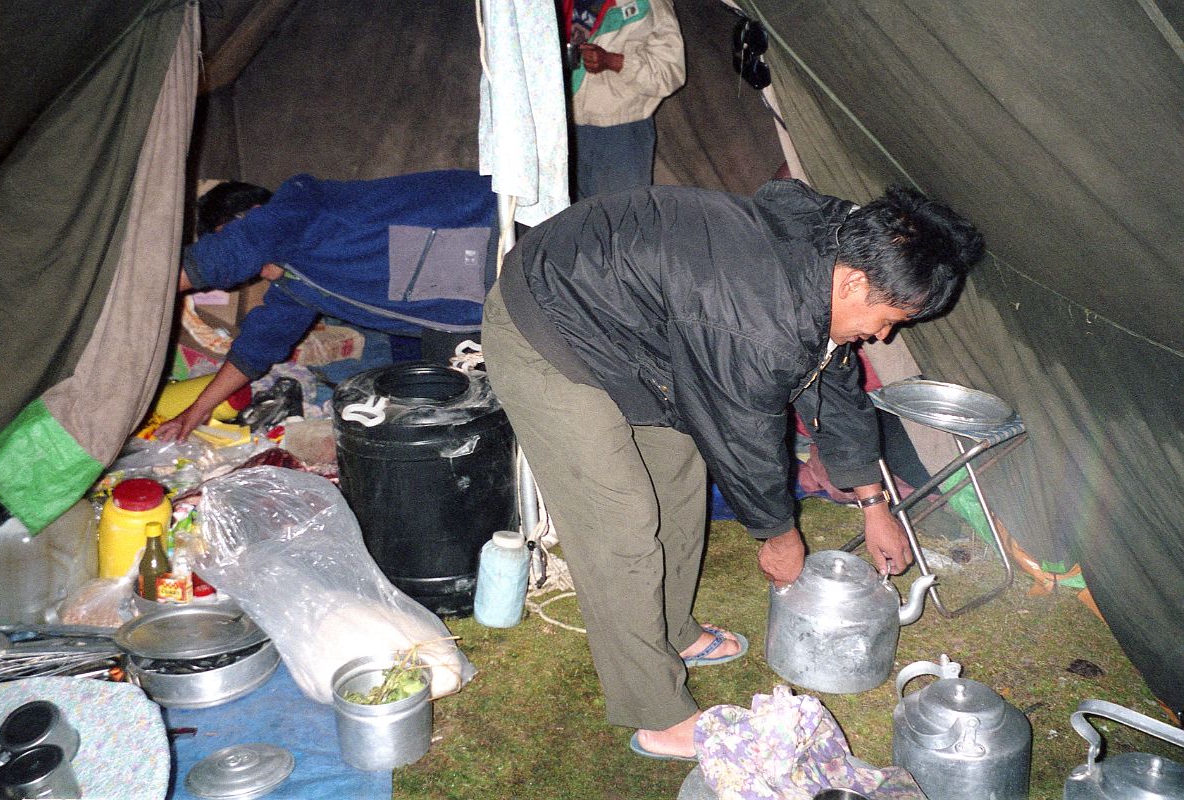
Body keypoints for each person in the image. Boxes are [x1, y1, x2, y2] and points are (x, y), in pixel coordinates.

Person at [480, 178, 984, 759]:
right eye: (887, 319)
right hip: (548, 326)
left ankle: (670, 630)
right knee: (618, 526)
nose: (883, 334)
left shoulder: (837, 245)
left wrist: (876, 504)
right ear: (854, 282)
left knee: (681, 478)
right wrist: (777, 535)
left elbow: (835, 382)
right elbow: (744, 433)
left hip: (642, 331)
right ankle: (655, 711)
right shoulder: (757, 318)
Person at [155, 170, 497, 441]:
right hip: (485, 315)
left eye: (229, 232)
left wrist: (147, 293)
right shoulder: (296, 285)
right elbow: (257, 347)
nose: (244, 276)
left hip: (497, 226)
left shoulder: (303, 202)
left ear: (254, 215)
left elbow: (231, 251)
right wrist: (197, 410)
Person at [564, 0, 685, 199]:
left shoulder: (649, 4)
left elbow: (670, 73)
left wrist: (612, 61)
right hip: (565, 126)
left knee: (622, 220)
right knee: (567, 223)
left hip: (621, 133)